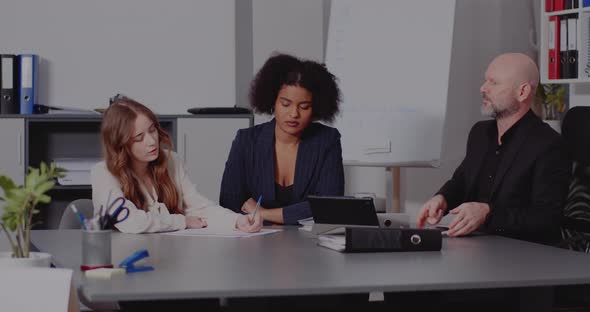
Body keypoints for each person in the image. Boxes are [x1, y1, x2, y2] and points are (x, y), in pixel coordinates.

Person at [416, 53, 571, 245]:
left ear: (522, 92)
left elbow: (546, 219)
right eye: (485, 80)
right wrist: (442, 199)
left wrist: (488, 213)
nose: (483, 88)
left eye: (494, 83)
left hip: (520, 256)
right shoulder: (480, 133)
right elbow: (462, 181)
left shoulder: (548, 145)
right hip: (475, 249)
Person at [91, 98, 262, 234]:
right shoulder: (103, 173)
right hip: (124, 264)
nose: (152, 141)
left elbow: (199, 207)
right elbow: (131, 221)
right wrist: (182, 221)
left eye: (152, 130)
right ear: (120, 144)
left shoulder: (170, 160)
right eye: (139, 138)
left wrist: (237, 221)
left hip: (170, 256)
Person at [219, 53, 344, 225]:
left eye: (304, 107)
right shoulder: (246, 141)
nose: (294, 114)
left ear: (315, 108)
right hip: (255, 240)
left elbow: (330, 206)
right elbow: (229, 203)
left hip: (308, 244)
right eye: (286, 104)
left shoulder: (327, 141)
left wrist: (264, 213)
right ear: (272, 101)